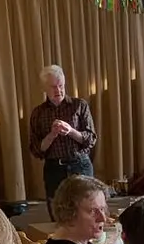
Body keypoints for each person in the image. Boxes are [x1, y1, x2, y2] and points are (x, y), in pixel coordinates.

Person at [28, 65, 97, 200]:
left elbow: (91, 139)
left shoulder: (79, 105)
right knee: (58, 213)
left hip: (80, 165)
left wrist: (71, 131)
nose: (58, 90)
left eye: (61, 86)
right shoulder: (38, 113)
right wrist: (52, 135)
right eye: (53, 87)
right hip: (54, 170)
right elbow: (36, 149)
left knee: (87, 208)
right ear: (44, 88)